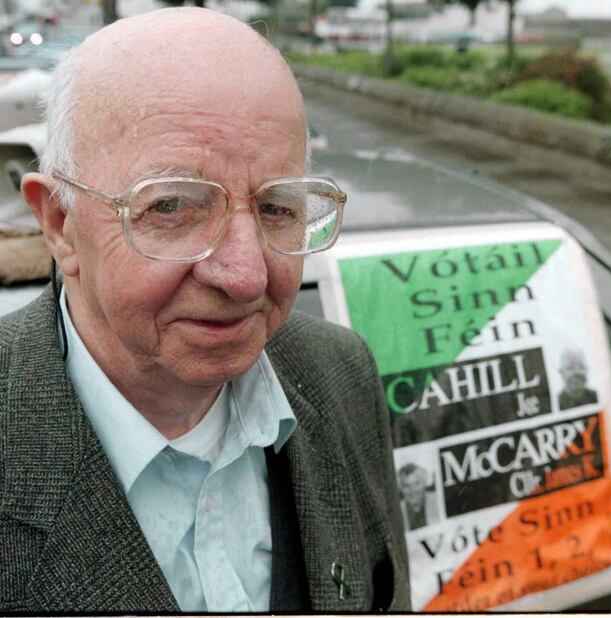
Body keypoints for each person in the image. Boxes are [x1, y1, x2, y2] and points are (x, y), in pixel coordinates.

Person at [0, 8, 409, 613]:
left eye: (278, 208)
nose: (246, 277)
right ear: (60, 224)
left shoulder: (340, 371)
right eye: (171, 208)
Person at [397, 463, 442, 531]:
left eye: (417, 484)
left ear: (424, 484)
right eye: (406, 486)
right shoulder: (397, 510)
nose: (412, 490)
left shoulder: (438, 500)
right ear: (400, 488)